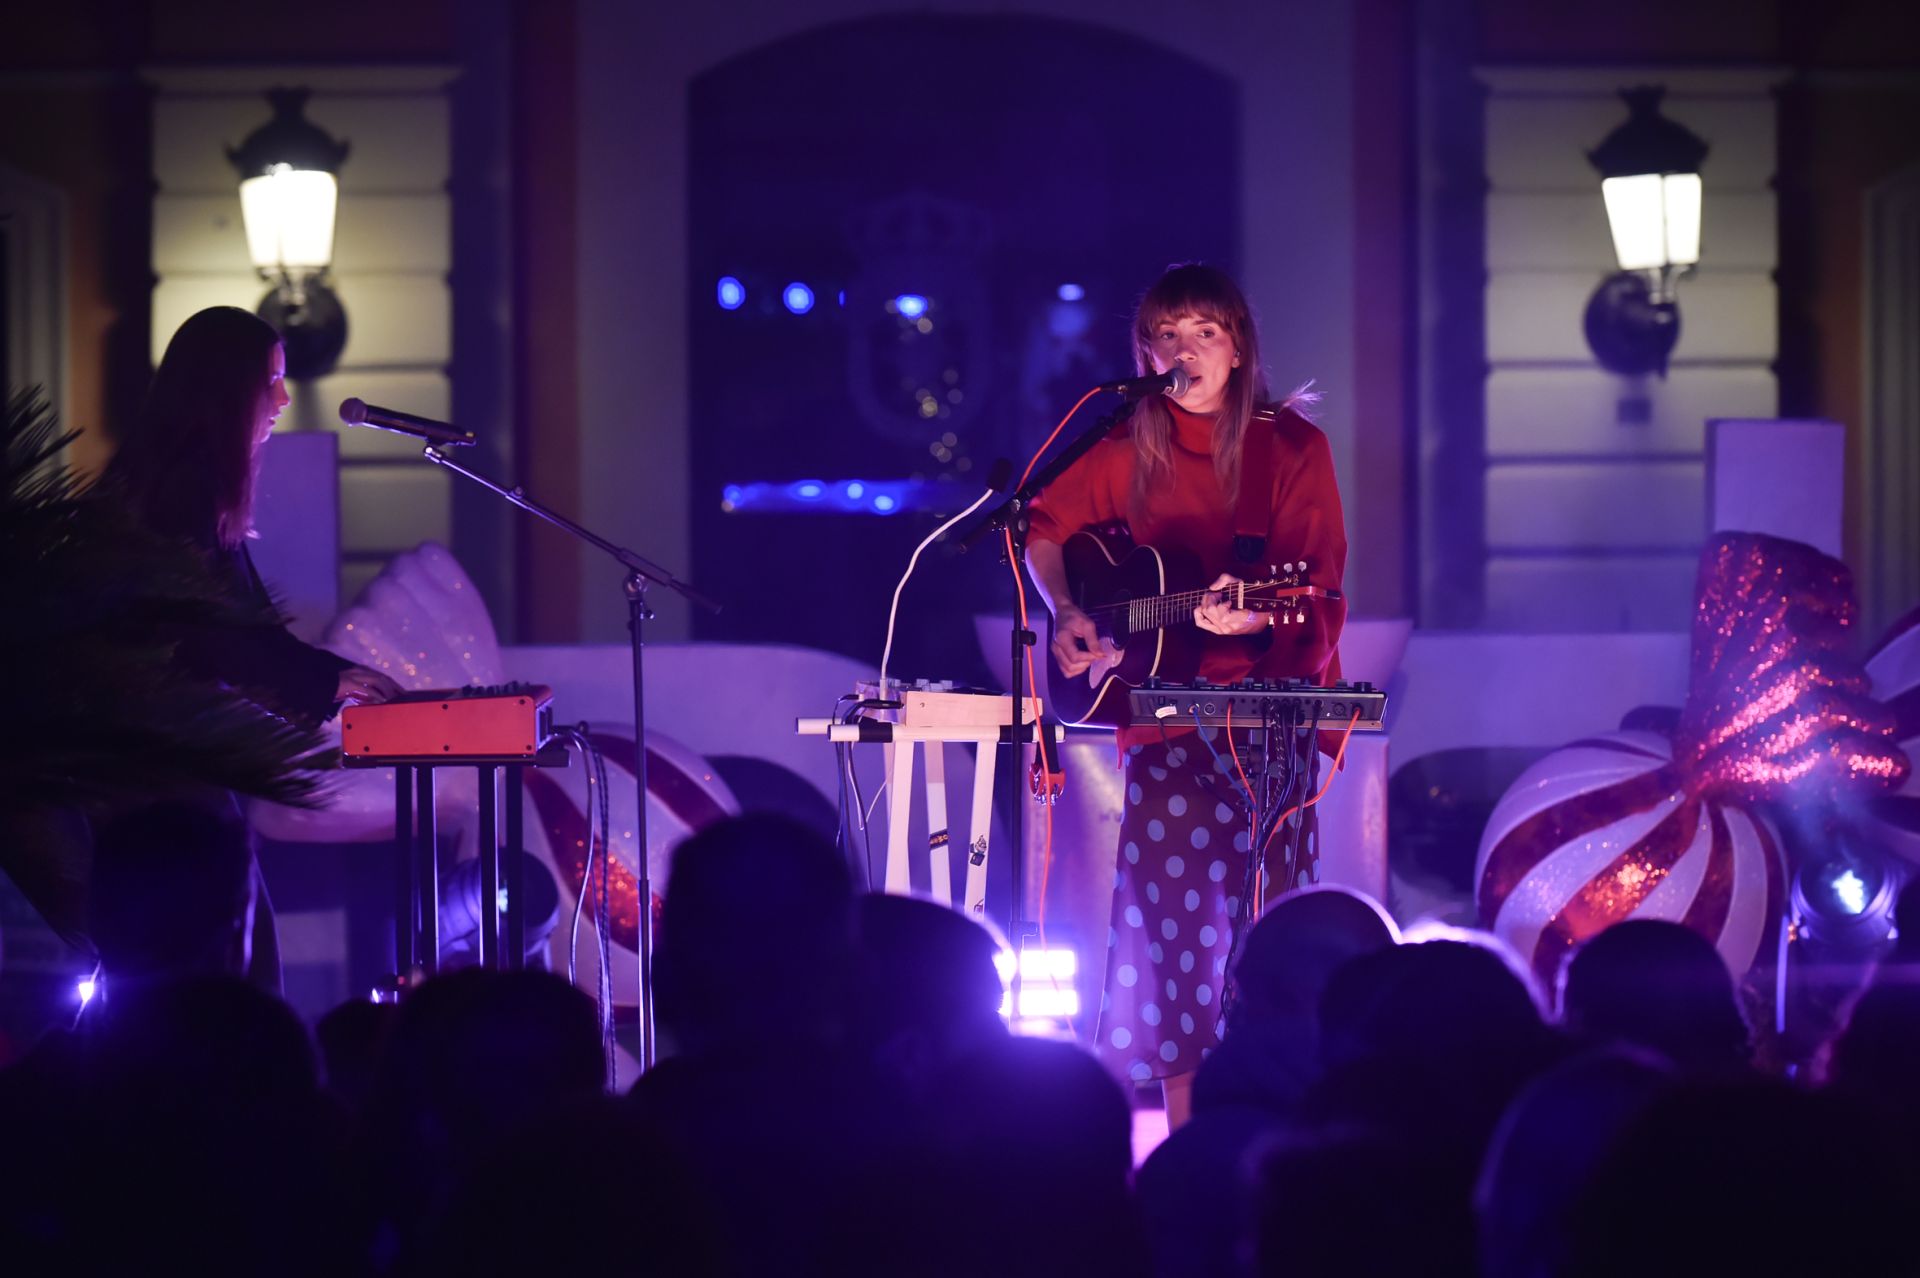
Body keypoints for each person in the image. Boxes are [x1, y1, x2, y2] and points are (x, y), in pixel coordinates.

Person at [1024, 264, 1347, 1124]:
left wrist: (1258, 627)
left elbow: (1318, 589)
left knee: (1273, 944)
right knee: (1173, 946)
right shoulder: (1126, 441)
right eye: (1164, 335)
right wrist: (1065, 611)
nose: (1182, 350)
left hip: (1264, 726)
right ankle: (1189, 1139)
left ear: (1238, 348)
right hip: (1163, 726)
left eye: (1203, 331)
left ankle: (1277, 1131)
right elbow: (1043, 527)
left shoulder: (1292, 448)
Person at [98, 306, 399, 986]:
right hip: (162, 778)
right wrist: (326, 684)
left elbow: (233, 629)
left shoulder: (176, 484)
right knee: (227, 972)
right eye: (272, 378)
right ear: (228, 386)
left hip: (167, 770)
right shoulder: (181, 491)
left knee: (224, 968)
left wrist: (328, 676)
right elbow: (206, 633)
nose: (284, 400)